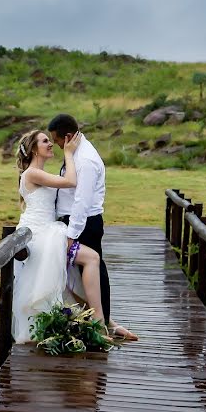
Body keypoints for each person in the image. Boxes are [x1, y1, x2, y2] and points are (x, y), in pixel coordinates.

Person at [12, 129, 109, 343]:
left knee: (69, 280)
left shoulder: (39, 173)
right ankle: (100, 324)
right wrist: (69, 152)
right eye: (44, 141)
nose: (50, 144)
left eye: (49, 140)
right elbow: (71, 181)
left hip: (48, 228)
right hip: (39, 234)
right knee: (91, 258)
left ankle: (100, 322)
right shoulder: (32, 173)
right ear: (33, 149)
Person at [48, 113, 137, 341]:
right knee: (84, 273)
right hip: (79, 222)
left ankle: (102, 322)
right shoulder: (77, 152)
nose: (56, 145)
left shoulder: (85, 160)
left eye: (57, 140)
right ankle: (103, 321)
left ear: (67, 136)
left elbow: (82, 201)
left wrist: (71, 234)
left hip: (84, 223)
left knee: (94, 270)